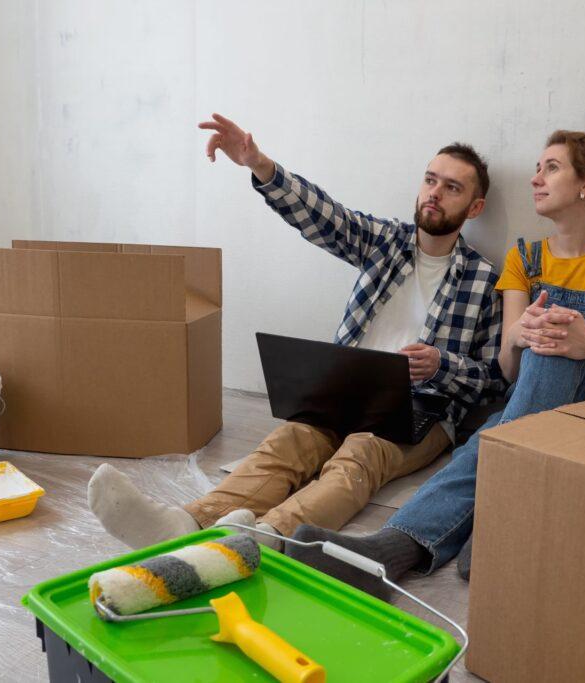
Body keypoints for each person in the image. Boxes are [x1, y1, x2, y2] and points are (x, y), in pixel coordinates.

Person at [286, 126, 585, 598]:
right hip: (526, 404)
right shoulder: (524, 259)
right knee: (516, 391)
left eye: (551, 168)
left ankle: (449, 534)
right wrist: (520, 337)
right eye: (536, 169)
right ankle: (410, 545)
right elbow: (509, 370)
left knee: (507, 417)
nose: (536, 179)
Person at [88, 113, 502, 550]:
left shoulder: (485, 279)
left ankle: (266, 536)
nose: (434, 193)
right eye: (430, 180)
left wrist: (442, 366)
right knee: (289, 441)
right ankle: (185, 523)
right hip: (348, 390)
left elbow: (495, 379)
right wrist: (258, 163)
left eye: (452, 187)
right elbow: (324, 216)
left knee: (358, 456)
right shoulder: (386, 241)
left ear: (474, 208)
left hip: (424, 409)